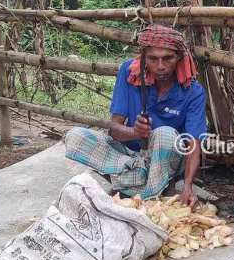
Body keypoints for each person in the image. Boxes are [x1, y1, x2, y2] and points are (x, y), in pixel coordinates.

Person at [65, 24, 207, 208]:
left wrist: (188, 186)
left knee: (165, 133)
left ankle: (133, 190)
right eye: (153, 59)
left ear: (179, 57)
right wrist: (135, 132)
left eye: (168, 58)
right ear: (143, 57)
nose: (161, 66)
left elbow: (194, 144)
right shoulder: (129, 73)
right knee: (75, 137)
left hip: (166, 159)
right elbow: (114, 130)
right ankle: (150, 189)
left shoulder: (192, 90)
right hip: (131, 157)